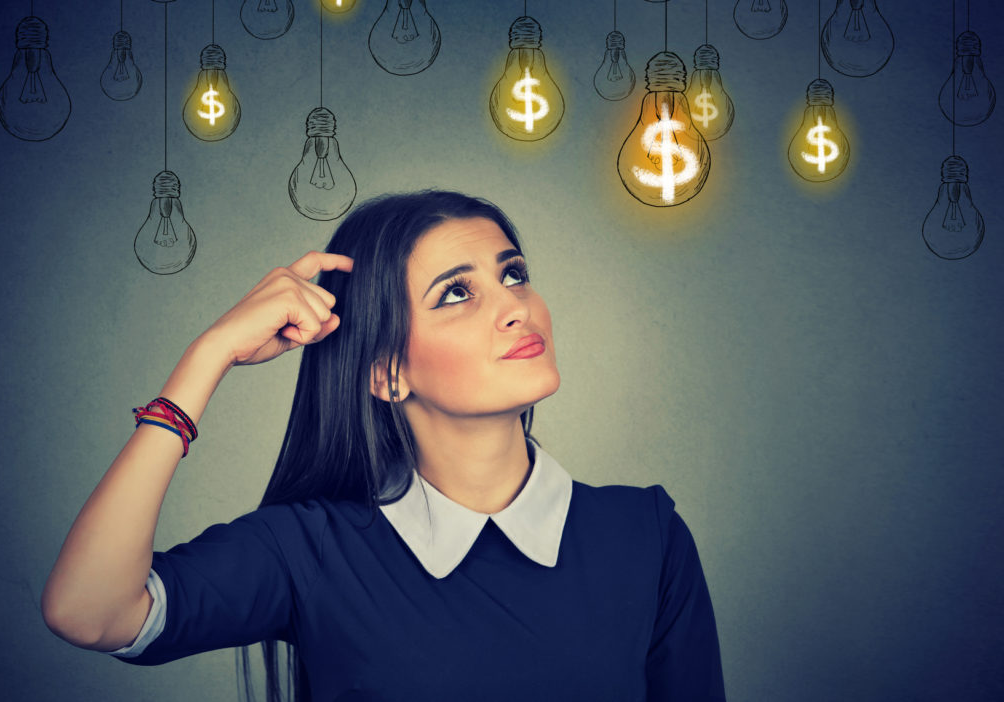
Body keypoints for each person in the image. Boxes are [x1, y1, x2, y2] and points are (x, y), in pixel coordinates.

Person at [42, 191, 725, 701]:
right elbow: (89, 612)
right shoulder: (309, 550)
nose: (516, 305)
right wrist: (209, 354)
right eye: (457, 292)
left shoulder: (645, 534)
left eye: (511, 273)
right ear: (386, 371)